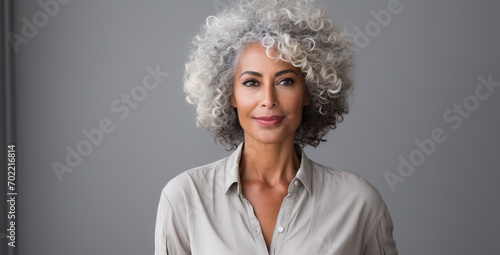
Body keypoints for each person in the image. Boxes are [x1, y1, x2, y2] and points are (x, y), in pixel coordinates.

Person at [154, 0, 398, 254]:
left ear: (309, 92)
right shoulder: (184, 197)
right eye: (251, 83)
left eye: (285, 81)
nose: (268, 99)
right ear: (229, 94)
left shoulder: (358, 202)